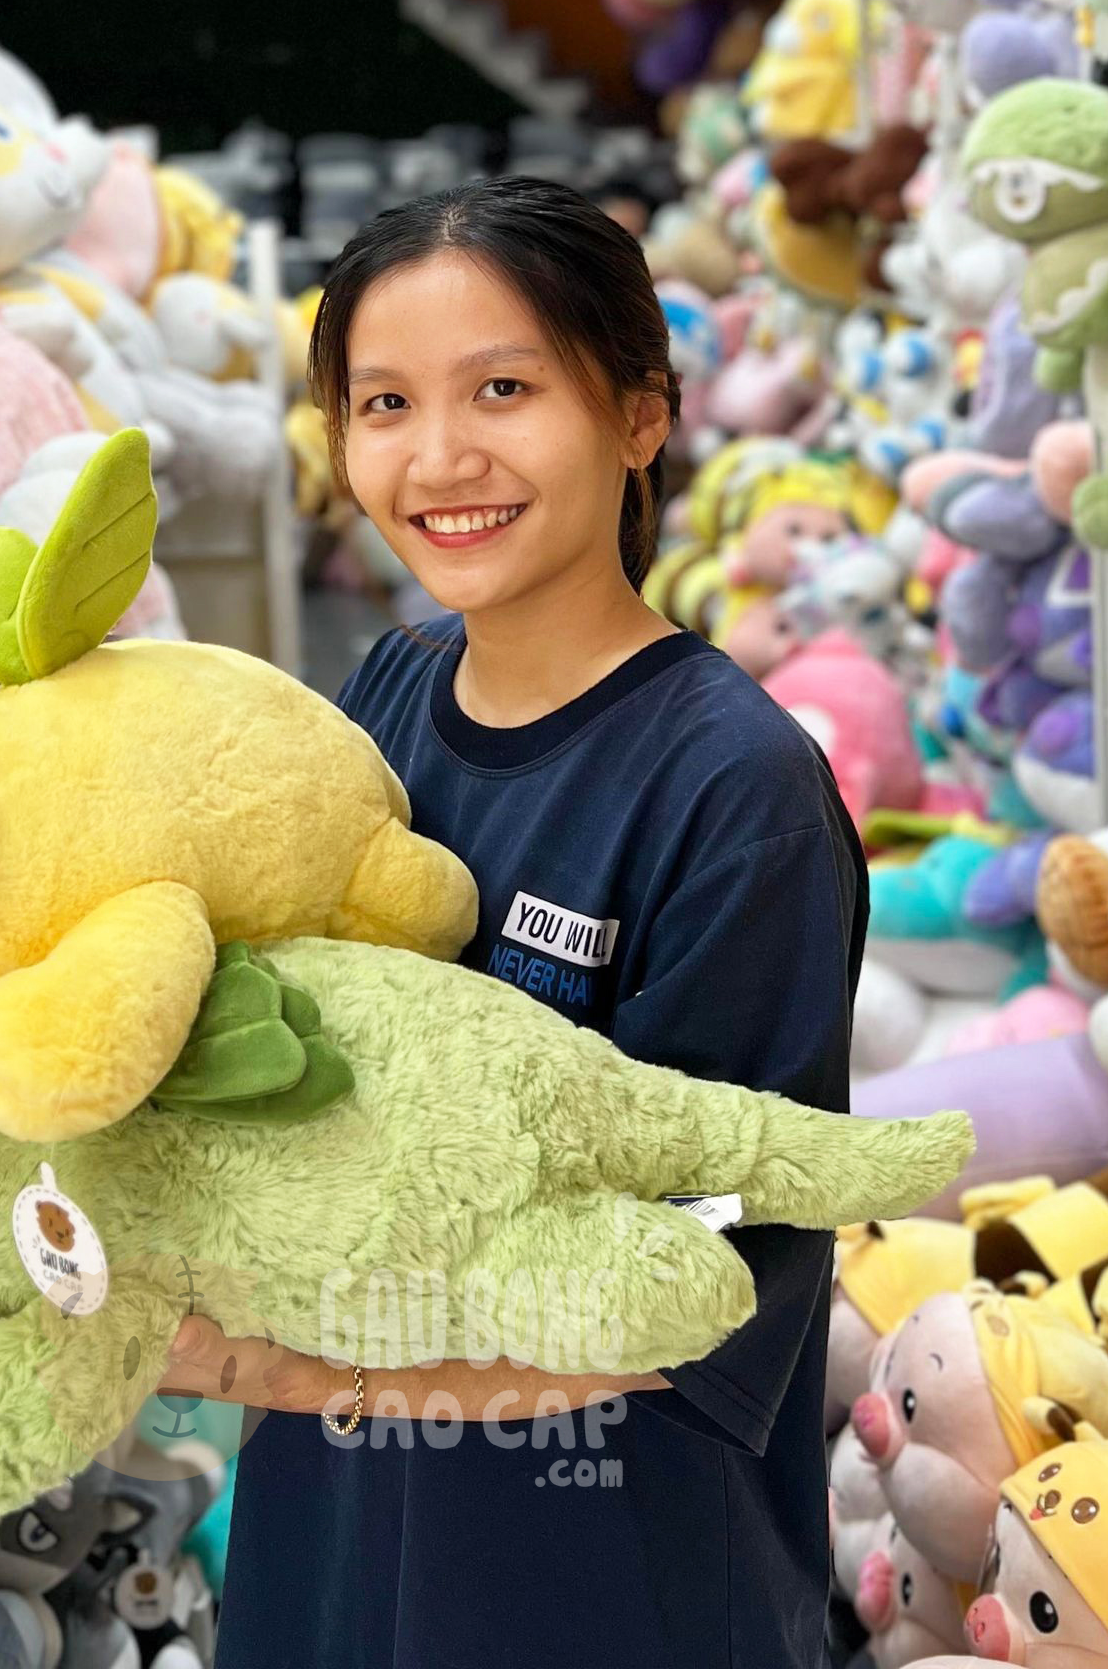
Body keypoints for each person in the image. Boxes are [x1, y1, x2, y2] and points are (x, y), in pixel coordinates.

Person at [164, 176, 863, 1668]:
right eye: (385, 403)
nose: (439, 458)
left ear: (640, 415)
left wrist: (300, 1375)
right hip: (335, 1544)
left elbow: (700, 1279)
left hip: (597, 1570)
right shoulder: (387, 691)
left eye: (503, 389)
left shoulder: (735, 790)